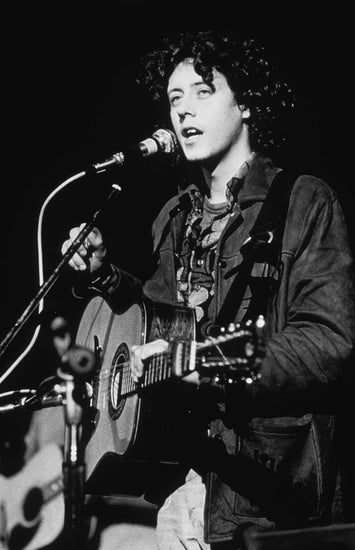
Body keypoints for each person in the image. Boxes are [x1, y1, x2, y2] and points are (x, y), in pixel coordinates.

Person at [61, 30, 355, 549]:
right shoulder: (174, 218)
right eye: (174, 99)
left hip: (267, 496)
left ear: (245, 104)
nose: (183, 111)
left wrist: (209, 362)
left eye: (202, 91)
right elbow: (156, 325)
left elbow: (331, 343)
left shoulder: (305, 201)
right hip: (182, 486)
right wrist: (104, 275)